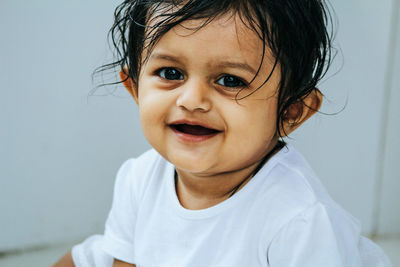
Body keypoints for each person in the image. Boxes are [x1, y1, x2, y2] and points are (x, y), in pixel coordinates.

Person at [53, 0, 392, 266]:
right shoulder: (139, 178)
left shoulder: (300, 221)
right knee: (83, 258)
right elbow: (124, 261)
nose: (192, 100)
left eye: (230, 80)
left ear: (291, 112)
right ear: (135, 89)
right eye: (170, 72)